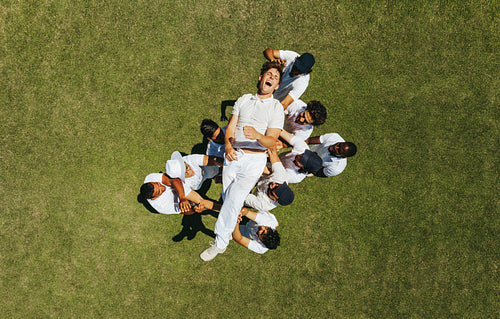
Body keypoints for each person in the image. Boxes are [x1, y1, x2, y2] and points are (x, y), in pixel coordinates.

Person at [199, 61, 284, 261]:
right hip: (234, 154)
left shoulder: (276, 107)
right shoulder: (244, 99)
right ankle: (223, 236)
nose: (271, 78)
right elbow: (230, 127)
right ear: (260, 78)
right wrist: (228, 146)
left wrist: (256, 135)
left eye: (275, 77)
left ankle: (220, 243)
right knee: (229, 198)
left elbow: (271, 140)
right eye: (269, 74)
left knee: (236, 198)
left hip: (255, 159)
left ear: (277, 86)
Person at [139, 152, 221, 215]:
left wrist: (182, 198)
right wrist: (194, 209)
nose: (162, 187)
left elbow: (174, 181)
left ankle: (217, 176)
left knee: (211, 171)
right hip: (184, 189)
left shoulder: (150, 178)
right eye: (160, 191)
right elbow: (185, 210)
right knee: (197, 202)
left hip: (180, 189)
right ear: (154, 198)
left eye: (158, 184)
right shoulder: (162, 206)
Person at [244, 145, 294, 211]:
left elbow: (241, 194)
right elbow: (272, 153)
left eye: (275, 190)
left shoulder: (264, 205)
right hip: (260, 177)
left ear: (276, 200)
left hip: (253, 196)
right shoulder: (281, 177)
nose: (274, 185)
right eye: (279, 185)